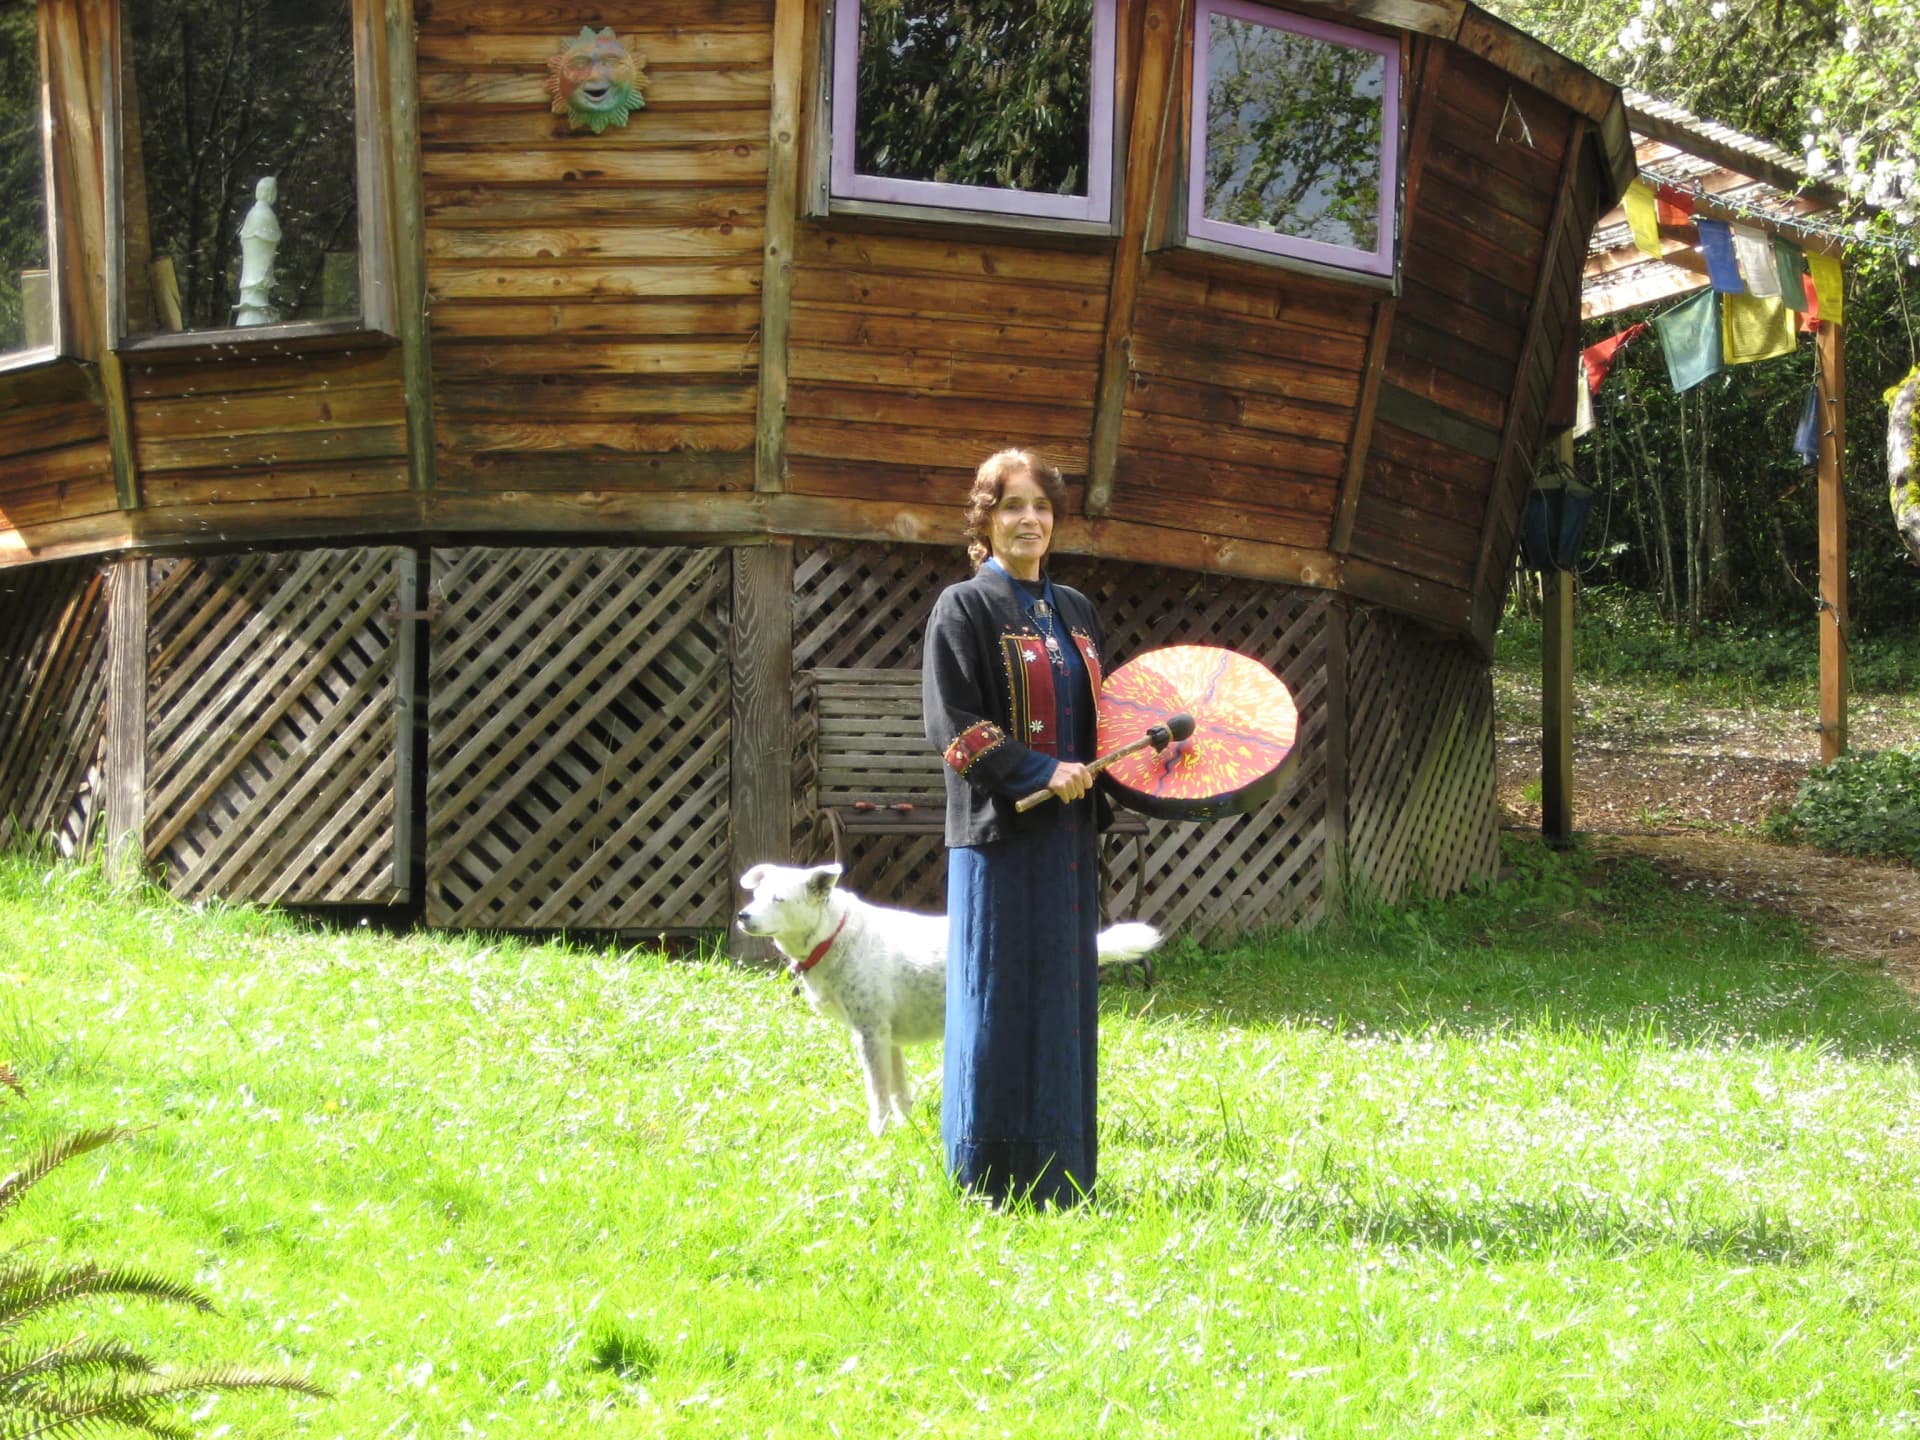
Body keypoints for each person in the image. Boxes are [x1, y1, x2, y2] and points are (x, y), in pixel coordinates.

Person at [921, 447, 1112, 1208]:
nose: (1028, 519)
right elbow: (954, 726)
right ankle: (987, 1176)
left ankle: (1063, 1174)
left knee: (1061, 1000)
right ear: (986, 521)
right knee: (998, 996)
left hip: (1067, 842)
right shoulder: (962, 609)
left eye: (1040, 506)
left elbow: (1105, 722)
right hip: (1000, 838)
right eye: (1011, 506)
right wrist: (1039, 773)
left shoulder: (1077, 611)